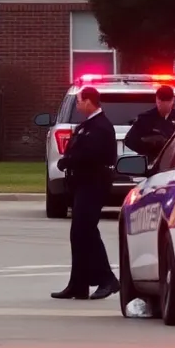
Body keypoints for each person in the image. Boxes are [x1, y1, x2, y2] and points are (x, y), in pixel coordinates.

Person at [52, 85, 121, 301]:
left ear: (90, 101)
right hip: (81, 185)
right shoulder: (87, 126)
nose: (78, 104)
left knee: (86, 232)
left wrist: (69, 160)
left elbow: (91, 155)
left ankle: (107, 279)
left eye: (80, 101)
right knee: (80, 234)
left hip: (93, 185)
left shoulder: (101, 127)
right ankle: (78, 285)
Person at [123, 84, 175, 159]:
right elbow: (130, 140)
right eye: (161, 101)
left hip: (173, 162)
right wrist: (148, 149)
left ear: (172, 100)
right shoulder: (145, 119)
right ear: (157, 100)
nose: (163, 104)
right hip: (151, 162)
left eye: (167, 101)